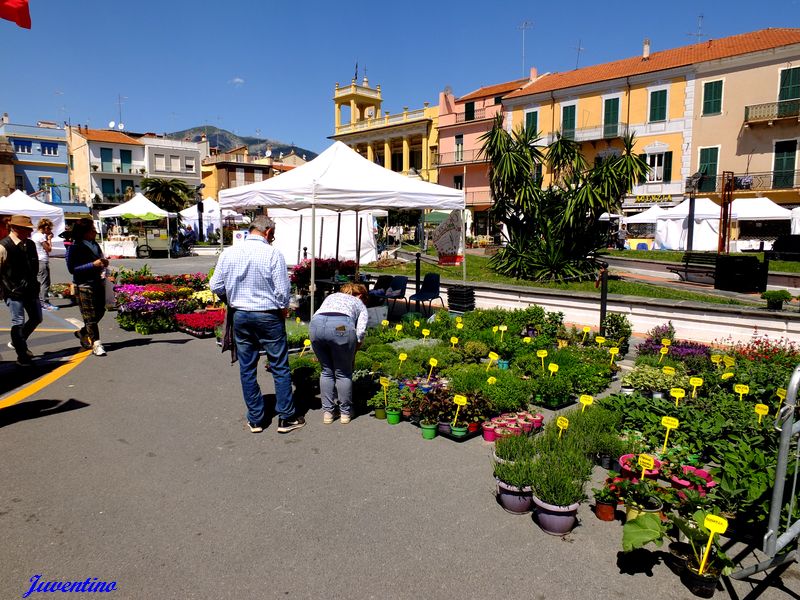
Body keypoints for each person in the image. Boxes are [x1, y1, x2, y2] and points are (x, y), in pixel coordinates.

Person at [209, 215, 305, 434]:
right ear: (268, 232)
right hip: (268, 314)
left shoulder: (230, 252)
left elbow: (215, 285)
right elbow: (282, 291)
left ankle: (256, 419)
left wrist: (232, 299)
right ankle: (286, 417)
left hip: (241, 314)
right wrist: (283, 309)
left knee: (247, 367)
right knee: (279, 365)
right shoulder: (272, 253)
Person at [309, 282, 368, 424]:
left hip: (316, 327)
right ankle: (345, 413)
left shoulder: (332, 296)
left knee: (326, 371)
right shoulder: (359, 303)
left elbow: (321, 315)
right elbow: (360, 331)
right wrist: (353, 350)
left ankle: (328, 413)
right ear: (360, 295)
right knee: (343, 373)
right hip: (340, 327)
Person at [0, 215, 43, 366]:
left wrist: (34, 283)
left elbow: (34, 266)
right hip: (13, 291)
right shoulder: (4, 246)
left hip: (30, 289)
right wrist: (7, 288)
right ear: (16, 228)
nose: (30, 232)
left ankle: (18, 341)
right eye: (27, 229)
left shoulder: (30, 244)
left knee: (37, 317)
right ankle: (22, 353)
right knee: (18, 321)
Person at [66, 218, 109, 356]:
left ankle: (82, 332)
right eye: (93, 230)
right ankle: (96, 343)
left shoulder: (95, 244)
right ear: (85, 232)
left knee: (100, 311)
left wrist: (103, 264)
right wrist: (92, 265)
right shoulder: (74, 247)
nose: (95, 232)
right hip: (83, 285)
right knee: (89, 316)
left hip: (98, 282)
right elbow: (72, 269)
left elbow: (99, 260)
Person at [31, 218, 59, 311]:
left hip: (37, 260)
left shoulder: (34, 235)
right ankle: (44, 302)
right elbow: (49, 249)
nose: (50, 231)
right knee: (45, 283)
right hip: (42, 260)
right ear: (45, 227)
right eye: (49, 229)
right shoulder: (41, 236)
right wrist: (49, 239)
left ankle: (40, 302)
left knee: (40, 281)